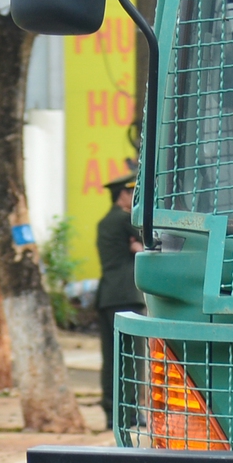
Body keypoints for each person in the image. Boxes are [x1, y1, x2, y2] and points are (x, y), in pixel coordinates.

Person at [94, 173, 145, 412]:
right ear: (123, 195)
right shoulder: (124, 220)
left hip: (107, 295)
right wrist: (138, 247)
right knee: (131, 360)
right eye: (133, 194)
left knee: (112, 359)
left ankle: (111, 411)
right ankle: (131, 413)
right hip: (126, 296)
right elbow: (153, 240)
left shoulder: (105, 221)